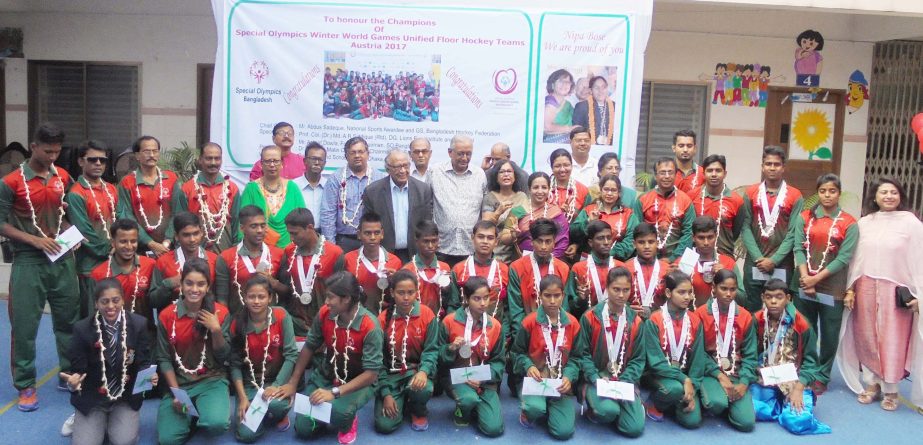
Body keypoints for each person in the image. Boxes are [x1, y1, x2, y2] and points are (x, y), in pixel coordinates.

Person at [0, 123, 79, 409]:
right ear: (33, 146)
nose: (52, 157)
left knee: (68, 321)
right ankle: (26, 385)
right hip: (29, 261)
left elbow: (68, 212)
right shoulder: (10, 182)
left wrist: (74, 235)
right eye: (47, 151)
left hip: (62, 259)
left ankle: (68, 373)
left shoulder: (64, 176)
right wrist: (34, 241)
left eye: (57, 152)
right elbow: (1, 223)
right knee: (24, 327)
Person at [839, 177, 923, 412]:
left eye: (893, 192)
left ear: (900, 196)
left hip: (896, 291)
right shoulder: (865, 222)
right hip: (865, 285)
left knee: (892, 340)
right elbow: (856, 258)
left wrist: (919, 295)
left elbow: (920, 259)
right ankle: (871, 384)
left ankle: (892, 389)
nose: (888, 196)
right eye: (883, 192)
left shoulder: (912, 223)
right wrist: (850, 289)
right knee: (866, 337)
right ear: (874, 196)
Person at [273, 272, 384, 444]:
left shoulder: (370, 326)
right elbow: (309, 346)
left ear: (346, 298)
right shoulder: (326, 313)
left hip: (358, 382)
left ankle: (347, 418)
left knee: (341, 413)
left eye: (330, 297)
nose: (326, 302)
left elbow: (371, 374)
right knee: (303, 429)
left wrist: (334, 393)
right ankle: (327, 414)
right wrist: (293, 383)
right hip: (327, 376)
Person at [60, 278, 155, 445]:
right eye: (104, 301)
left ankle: (110, 421)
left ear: (123, 300)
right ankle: (84, 418)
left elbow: (143, 361)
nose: (111, 306)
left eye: (115, 300)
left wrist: (149, 377)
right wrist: (73, 383)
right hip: (93, 398)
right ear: (96, 304)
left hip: (124, 397)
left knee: (124, 441)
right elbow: (77, 370)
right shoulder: (82, 329)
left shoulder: (139, 324)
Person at [790, 174, 857, 393]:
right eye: (823, 191)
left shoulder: (849, 223)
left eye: (832, 191)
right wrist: (805, 278)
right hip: (803, 283)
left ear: (839, 193)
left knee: (829, 334)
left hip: (832, 289)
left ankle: (823, 375)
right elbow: (798, 248)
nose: (827, 195)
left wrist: (815, 279)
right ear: (817, 193)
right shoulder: (805, 217)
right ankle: (806, 371)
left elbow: (844, 257)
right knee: (806, 330)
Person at [155, 258, 232, 445]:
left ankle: (202, 411)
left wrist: (216, 331)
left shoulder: (220, 313)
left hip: (211, 380)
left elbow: (224, 357)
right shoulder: (166, 315)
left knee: (217, 424)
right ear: (181, 285)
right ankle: (192, 414)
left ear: (208, 287)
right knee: (168, 440)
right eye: (189, 283)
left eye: (200, 284)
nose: (194, 289)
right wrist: (175, 392)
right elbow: (164, 358)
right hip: (180, 383)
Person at [750, 279, 831, 435]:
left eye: (779, 297)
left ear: (788, 298)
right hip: (765, 377)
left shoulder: (802, 324)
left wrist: (799, 389)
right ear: (762, 297)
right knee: (751, 410)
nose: (773, 301)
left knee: (797, 422)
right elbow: (750, 354)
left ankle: (785, 406)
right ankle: (780, 405)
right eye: (769, 297)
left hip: (794, 379)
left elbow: (811, 362)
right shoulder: (757, 320)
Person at [575, 267, 647, 437]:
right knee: (607, 411)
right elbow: (582, 354)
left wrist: (624, 380)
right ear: (607, 288)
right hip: (597, 379)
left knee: (634, 429)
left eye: (626, 290)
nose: (621, 295)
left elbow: (638, 359)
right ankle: (601, 408)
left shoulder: (636, 322)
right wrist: (594, 377)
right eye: (616, 289)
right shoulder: (590, 317)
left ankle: (628, 408)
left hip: (624, 380)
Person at [512, 275, 586, 440]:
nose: (552, 300)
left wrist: (569, 376)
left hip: (560, 384)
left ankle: (550, 408)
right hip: (535, 381)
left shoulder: (573, 324)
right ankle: (530, 410)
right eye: (547, 295)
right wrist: (529, 366)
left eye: (557, 296)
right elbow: (517, 353)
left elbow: (577, 357)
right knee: (535, 409)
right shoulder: (530, 322)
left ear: (563, 296)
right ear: (540, 296)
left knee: (564, 433)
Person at [229, 275, 299, 442]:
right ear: (244, 298)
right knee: (246, 436)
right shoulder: (237, 323)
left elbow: (291, 354)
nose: (256, 301)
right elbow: (235, 364)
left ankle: (277, 414)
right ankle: (256, 411)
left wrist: (276, 386)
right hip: (249, 384)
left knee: (277, 405)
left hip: (276, 379)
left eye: (261, 296)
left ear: (271, 298)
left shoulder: (281, 316)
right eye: (251, 296)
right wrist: (243, 397)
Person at [507, 218, 571, 395]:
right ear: (532, 242)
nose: (543, 246)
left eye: (548, 241)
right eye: (539, 241)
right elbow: (515, 309)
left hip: (555, 336)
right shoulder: (517, 267)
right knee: (523, 394)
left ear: (554, 242)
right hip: (526, 333)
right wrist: (524, 336)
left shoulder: (563, 268)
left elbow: (564, 308)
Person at [374, 270, 440, 433]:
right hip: (391, 376)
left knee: (422, 388)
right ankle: (399, 398)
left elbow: (431, 350)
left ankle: (417, 409)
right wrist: (385, 393)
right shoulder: (382, 319)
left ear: (417, 292)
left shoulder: (427, 314)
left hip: (415, 372)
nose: (406, 298)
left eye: (410, 292)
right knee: (384, 426)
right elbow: (377, 361)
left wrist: (424, 371)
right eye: (400, 293)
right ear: (391, 293)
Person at [739, 146, 804, 313]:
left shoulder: (795, 195)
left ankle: (780, 340)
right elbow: (745, 226)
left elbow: (793, 233)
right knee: (752, 308)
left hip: (782, 264)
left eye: (776, 164)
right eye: (768, 164)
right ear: (762, 166)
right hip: (755, 263)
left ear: (783, 167)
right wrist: (758, 258)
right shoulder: (751, 193)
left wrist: (773, 260)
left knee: (781, 309)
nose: (772, 168)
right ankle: (754, 339)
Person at [439, 276, 505, 437]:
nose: (482, 303)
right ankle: (463, 410)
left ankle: (476, 405)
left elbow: (499, 362)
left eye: (486, 298)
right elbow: (438, 356)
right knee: (468, 400)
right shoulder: (450, 321)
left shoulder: (495, 326)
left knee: (494, 429)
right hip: (456, 377)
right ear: (466, 299)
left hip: (484, 381)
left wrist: (483, 379)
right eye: (476, 298)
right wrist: (451, 348)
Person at [693, 269, 757, 432]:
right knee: (716, 403)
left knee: (747, 424)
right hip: (711, 372)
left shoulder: (745, 316)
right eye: (723, 288)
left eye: (732, 289)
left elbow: (750, 355)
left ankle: (729, 402)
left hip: (735, 373)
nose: (728, 294)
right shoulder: (700, 314)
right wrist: (719, 375)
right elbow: (698, 353)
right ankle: (719, 399)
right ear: (713, 288)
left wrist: (744, 382)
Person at [644, 271, 709, 428]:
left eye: (689, 292)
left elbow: (698, 361)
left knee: (692, 422)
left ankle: (677, 400)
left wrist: (692, 386)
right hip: (657, 375)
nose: (687, 297)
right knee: (673, 389)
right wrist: (684, 379)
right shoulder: (654, 320)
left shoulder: (695, 321)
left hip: (684, 379)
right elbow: (655, 364)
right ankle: (653, 402)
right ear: (668, 293)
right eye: (681, 292)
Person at [67, 140, 119, 317]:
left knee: (114, 316)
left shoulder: (112, 189)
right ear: (81, 162)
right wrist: (111, 250)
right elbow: (83, 232)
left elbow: (119, 221)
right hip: (90, 268)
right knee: (92, 318)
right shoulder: (76, 193)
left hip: (115, 264)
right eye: (93, 159)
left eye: (102, 160)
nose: (98, 163)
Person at [361, 149, 434, 263]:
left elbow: (426, 224)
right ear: (388, 168)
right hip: (383, 256)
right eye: (397, 167)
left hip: (414, 255)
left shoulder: (423, 190)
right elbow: (368, 226)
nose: (403, 170)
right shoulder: (373, 192)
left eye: (406, 165)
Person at [282, 208, 344, 338]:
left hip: (325, 322)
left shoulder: (334, 253)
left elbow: (341, 293)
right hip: (297, 323)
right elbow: (286, 289)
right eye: (289, 233)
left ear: (310, 227)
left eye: (295, 233)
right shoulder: (289, 252)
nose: (291, 238)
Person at [215, 205, 288, 315]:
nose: (259, 230)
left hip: (270, 324)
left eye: (263, 226)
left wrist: (273, 282)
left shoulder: (279, 254)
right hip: (238, 322)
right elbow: (222, 299)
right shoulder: (226, 257)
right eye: (254, 226)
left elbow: (287, 292)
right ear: (242, 228)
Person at [427, 134, 487, 266]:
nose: (465, 158)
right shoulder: (435, 172)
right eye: (460, 154)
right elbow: (428, 205)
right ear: (450, 152)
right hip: (442, 248)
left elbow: (484, 209)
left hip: (471, 249)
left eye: (468, 154)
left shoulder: (480, 175)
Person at [117, 135, 181, 257]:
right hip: (139, 249)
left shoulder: (171, 178)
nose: (151, 155)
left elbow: (177, 212)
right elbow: (126, 216)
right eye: (147, 151)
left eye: (155, 151)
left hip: (169, 247)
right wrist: (150, 243)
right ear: (137, 156)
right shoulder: (127, 182)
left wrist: (167, 241)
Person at [90, 219, 158, 329]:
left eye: (133, 241)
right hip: (113, 334)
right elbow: (93, 313)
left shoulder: (150, 265)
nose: (129, 246)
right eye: (123, 241)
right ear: (113, 243)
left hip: (146, 333)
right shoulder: (99, 273)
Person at [320, 136, 384, 252]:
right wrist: (332, 248)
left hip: (373, 240)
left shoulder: (379, 178)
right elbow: (328, 214)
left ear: (368, 154)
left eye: (361, 152)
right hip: (344, 241)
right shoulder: (336, 179)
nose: (357, 156)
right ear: (346, 156)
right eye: (352, 152)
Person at [175, 142, 240, 254]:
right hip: (194, 252)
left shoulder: (232, 188)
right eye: (209, 158)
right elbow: (179, 222)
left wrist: (236, 248)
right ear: (200, 160)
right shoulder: (187, 188)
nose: (213, 163)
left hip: (225, 250)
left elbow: (237, 221)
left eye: (217, 158)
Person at [149, 212, 219, 308]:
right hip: (174, 318)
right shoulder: (163, 262)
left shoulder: (214, 260)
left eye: (196, 233)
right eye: (186, 235)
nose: (192, 239)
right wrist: (168, 284)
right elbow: (152, 302)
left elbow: (220, 297)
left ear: (202, 232)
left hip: (206, 317)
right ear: (176, 236)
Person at [241, 145, 306, 248]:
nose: (272, 165)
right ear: (261, 164)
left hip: (290, 251)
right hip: (258, 251)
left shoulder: (292, 188)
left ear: (282, 164)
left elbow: (303, 220)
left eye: (276, 161)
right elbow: (243, 221)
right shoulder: (251, 189)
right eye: (268, 161)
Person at [633, 157, 695, 262]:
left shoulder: (685, 200)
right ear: (656, 176)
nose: (667, 176)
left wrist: (674, 258)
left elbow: (688, 233)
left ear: (676, 175)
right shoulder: (643, 199)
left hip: (677, 260)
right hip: (646, 259)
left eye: (670, 172)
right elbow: (635, 230)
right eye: (662, 172)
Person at [342, 211, 403, 314]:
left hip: (385, 316)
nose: (373, 237)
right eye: (367, 233)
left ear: (382, 234)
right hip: (356, 316)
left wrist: (394, 281)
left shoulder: (395, 262)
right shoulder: (348, 259)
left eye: (376, 233)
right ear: (359, 234)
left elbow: (400, 296)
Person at [450, 221, 510, 324]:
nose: (485, 241)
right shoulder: (459, 269)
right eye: (481, 237)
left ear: (496, 241)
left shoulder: (504, 270)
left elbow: (508, 309)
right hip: (463, 330)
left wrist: (504, 334)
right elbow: (453, 305)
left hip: (495, 331)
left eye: (490, 238)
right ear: (472, 238)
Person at [565, 220, 626, 319]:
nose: (606, 242)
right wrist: (581, 300)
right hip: (587, 323)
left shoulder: (621, 267)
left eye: (609, 238)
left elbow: (627, 301)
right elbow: (568, 305)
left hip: (616, 323)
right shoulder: (578, 268)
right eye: (600, 238)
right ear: (590, 242)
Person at [571, 174, 638, 261]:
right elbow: (573, 233)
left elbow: (631, 239)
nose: (609, 193)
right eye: (606, 189)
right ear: (601, 190)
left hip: (618, 260)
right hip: (589, 260)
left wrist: (611, 253)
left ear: (619, 193)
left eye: (613, 190)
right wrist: (588, 222)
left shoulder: (628, 214)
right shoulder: (589, 210)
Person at [690, 154, 745, 257]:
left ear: (725, 174)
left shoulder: (736, 201)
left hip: (724, 257)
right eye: (710, 170)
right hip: (694, 257)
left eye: (718, 171)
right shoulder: (692, 196)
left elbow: (735, 232)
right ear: (703, 173)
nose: (714, 174)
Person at [505, 172, 570, 259]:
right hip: (523, 261)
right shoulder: (517, 211)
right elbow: (503, 239)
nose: (540, 191)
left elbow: (563, 241)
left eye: (544, 187)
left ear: (549, 189)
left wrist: (550, 261)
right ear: (529, 189)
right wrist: (513, 235)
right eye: (536, 187)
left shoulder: (556, 212)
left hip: (551, 262)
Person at [402, 221, 457, 318]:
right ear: (417, 241)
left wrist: (446, 290)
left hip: (439, 319)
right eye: (426, 241)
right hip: (415, 319)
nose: (430, 245)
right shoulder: (407, 270)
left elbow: (451, 300)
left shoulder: (444, 268)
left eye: (434, 241)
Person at [684, 216, 741, 308]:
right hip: (690, 318)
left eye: (710, 237)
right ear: (693, 238)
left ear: (716, 236)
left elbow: (743, 299)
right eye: (701, 238)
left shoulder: (728, 263)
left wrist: (724, 279)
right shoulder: (685, 261)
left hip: (722, 318)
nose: (706, 242)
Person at [548, 149, 592, 260]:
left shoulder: (582, 190)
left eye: (566, 165)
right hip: (546, 244)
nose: (562, 169)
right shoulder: (544, 188)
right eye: (557, 166)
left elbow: (587, 224)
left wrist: (577, 245)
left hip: (574, 247)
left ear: (572, 166)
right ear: (552, 167)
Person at [481, 159, 529, 262]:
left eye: (509, 171)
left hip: (517, 248)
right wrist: (499, 212)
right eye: (502, 172)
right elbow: (485, 226)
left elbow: (527, 222)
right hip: (494, 249)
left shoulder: (522, 196)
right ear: (496, 177)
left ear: (515, 176)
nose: (506, 174)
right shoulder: (490, 197)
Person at [625, 223, 672, 317]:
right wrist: (627, 309)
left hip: (660, 321)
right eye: (641, 242)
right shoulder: (625, 268)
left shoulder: (667, 269)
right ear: (634, 244)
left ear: (657, 243)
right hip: (632, 321)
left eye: (651, 242)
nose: (646, 246)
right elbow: (617, 297)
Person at [573, 76, 616, 145]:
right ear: (591, 90)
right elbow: (577, 132)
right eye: (596, 88)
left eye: (603, 87)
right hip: (588, 148)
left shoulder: (615, 106)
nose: (600, 91)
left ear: (607, 88)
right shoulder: (582, 107)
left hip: (610, 148)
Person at [293, 141, 328, 222]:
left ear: (325, 163)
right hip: (300, 231)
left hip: (323, 232)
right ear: (305, 161)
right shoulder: (294, 185)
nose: (317, 163)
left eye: (320, 160)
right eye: (313, 159)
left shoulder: (329, 186)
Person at [542, 69, 577, 143]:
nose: (564, 85)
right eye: (560, 81)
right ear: (552, 84)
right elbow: (547, 127)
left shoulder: (568, 104)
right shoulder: (550, 102)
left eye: (567, 82)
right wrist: (570, 129)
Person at [672, 130, 704, 194]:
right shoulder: (665, 173)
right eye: (681, 146)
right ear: (674, 148)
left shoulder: (703, 173)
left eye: (689, 146)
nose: (685, 150)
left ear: (695, 148)